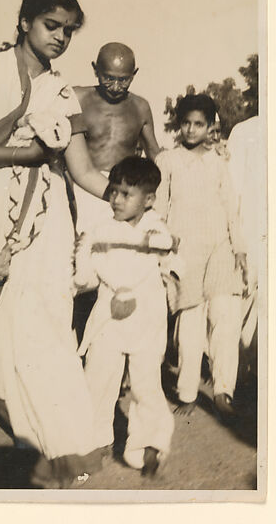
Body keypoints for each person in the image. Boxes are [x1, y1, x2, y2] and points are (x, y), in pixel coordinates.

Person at [0, 0, 109, 487]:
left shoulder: (63, 90)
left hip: (46, 218)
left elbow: (81, 170)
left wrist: (133, 201)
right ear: (24, 22)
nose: (60, 38)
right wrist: (30, 155)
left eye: (68, 31)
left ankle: (43, 433)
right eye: (51, 26)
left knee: (43, 319)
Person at [74, 157, 178, 476]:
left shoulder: (158, 231)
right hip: (108, 315)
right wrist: (77, 278)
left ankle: (145, 445)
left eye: (125, 194)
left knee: (146, 382)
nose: (116, 199)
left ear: (148, 200)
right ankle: (95, 441)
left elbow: (172, 265)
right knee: (98, 377)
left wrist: (172, 277)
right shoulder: (100, 231)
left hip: (146, 318)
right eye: (113, 192)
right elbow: (86, 275)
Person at [155, 94, 248, 418]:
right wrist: (162, 247)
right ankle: (188, 392)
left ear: (211, 127)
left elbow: (230, 208)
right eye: (186, 123)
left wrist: (239, 248)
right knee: (190, 326)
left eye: (199, 124)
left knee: (225, 317)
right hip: (184, 253)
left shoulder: (219, 161)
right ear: (179, 125)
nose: (192, 130)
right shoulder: (167, 160)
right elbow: (159, 206)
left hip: (220, 248)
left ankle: (224, 390)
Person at [73, 42, 160, 233]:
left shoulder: (140, 106)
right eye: (108, 78)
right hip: (80, 188)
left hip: (122, 191)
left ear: (134, 74)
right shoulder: (78, 98)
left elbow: (154, 153)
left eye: (123, 80)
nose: (115, 87)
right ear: (95, 70)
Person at [227, 116, 262, 372]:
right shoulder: (246, 131)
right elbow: (232, 190)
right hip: (251, 228)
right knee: (242, 296)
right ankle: (231, 370)